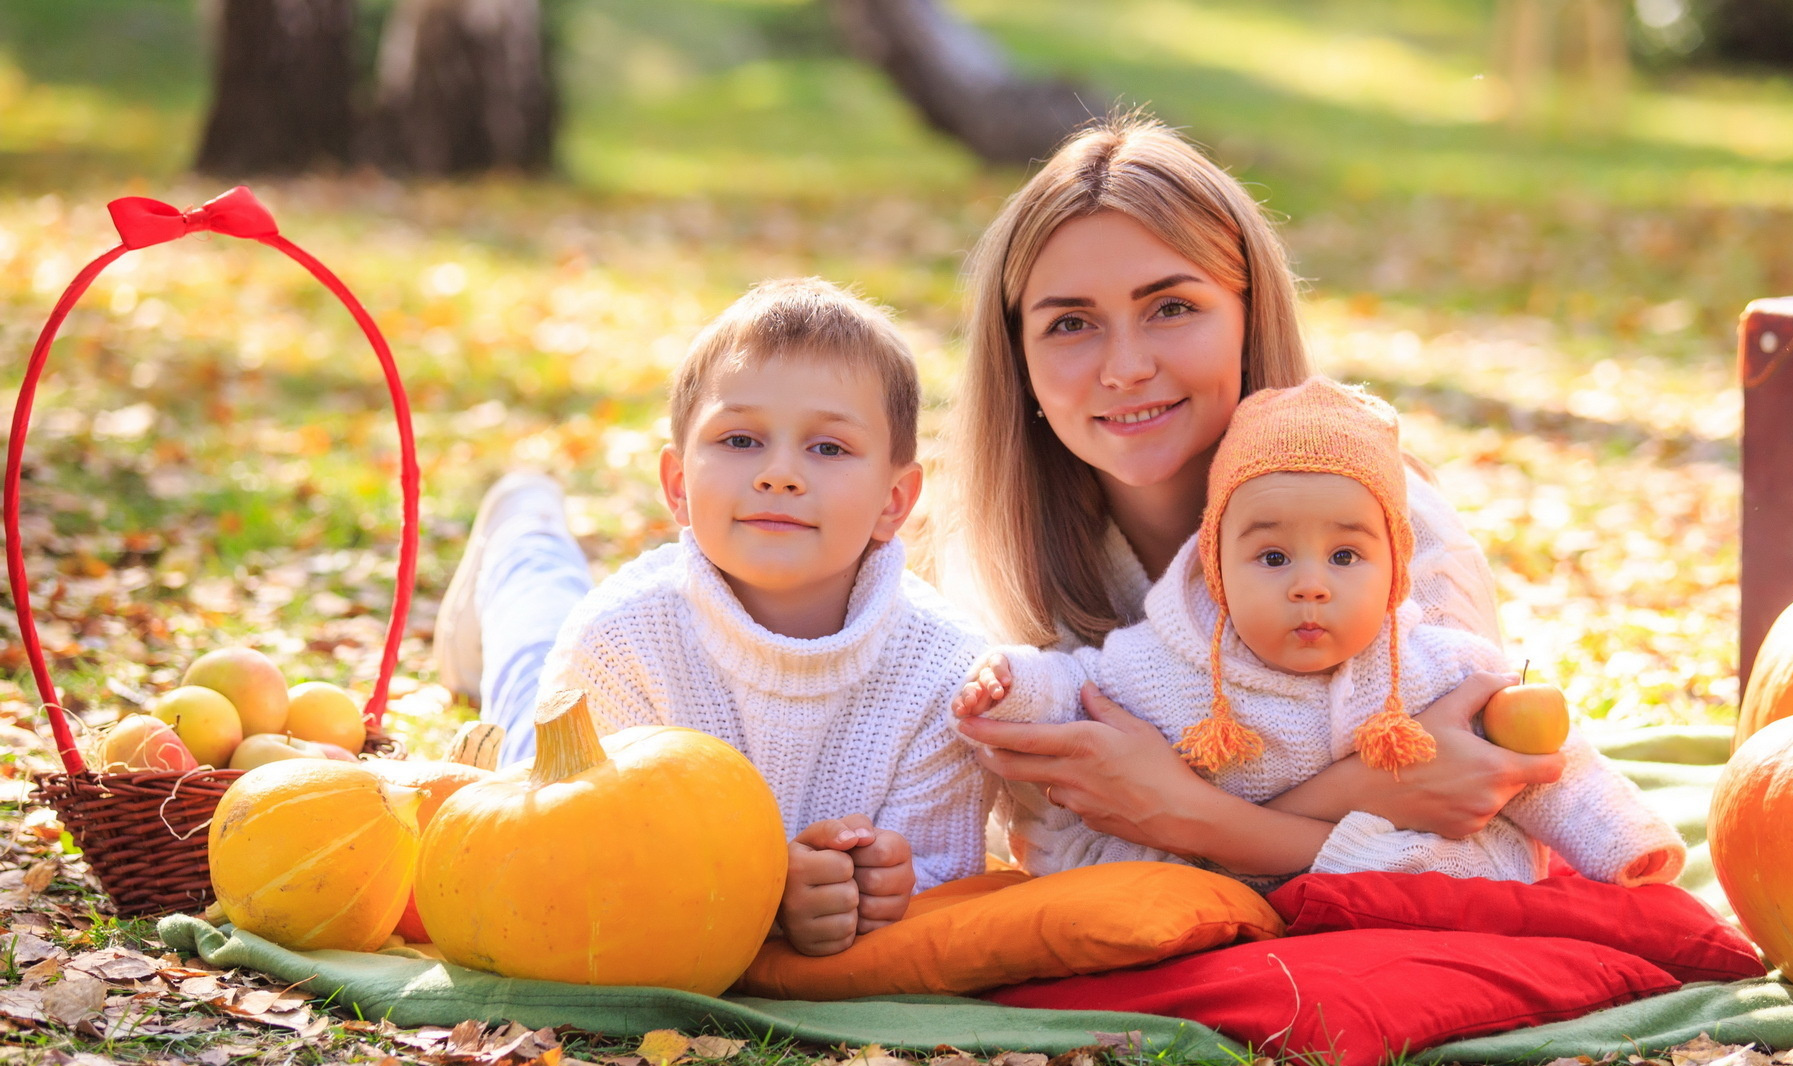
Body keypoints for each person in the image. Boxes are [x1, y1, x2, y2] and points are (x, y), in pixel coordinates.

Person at [942, 113, 1567, 878]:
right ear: (1021, 363)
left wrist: (1183, 813)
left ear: (1248, 318)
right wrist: (1359, 796)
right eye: (1071, 324)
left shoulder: (1390, 520)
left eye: (1171, 307)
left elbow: (1480, 824)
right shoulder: (1000, 584)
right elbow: (1064, 854)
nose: (1126, 367)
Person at [435, 279, 993, 956]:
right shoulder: (617, 644)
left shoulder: (948, 674)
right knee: (528, 655)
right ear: (677, 486)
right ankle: (522, 531)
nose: (780, 473)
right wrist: (761, 898)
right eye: (740, 439)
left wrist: (885, 889)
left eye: (828, 449)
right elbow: (564, 855)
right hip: (567, 694)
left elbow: (945, 871)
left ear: (894, 500)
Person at [955, 377, 1685, 887]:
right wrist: (1013, 685)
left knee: (1461, 871)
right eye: (1272, 557)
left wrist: (1627, 842)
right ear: (1216, 570)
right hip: (1213, 878)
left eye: (1345, 556)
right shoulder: (1172, 664)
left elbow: (1555, 767)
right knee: (1142, 884)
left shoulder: (1438, 665)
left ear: (1396, 569)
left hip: (1386, 867)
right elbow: (1081, 690)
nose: (1311, 584)